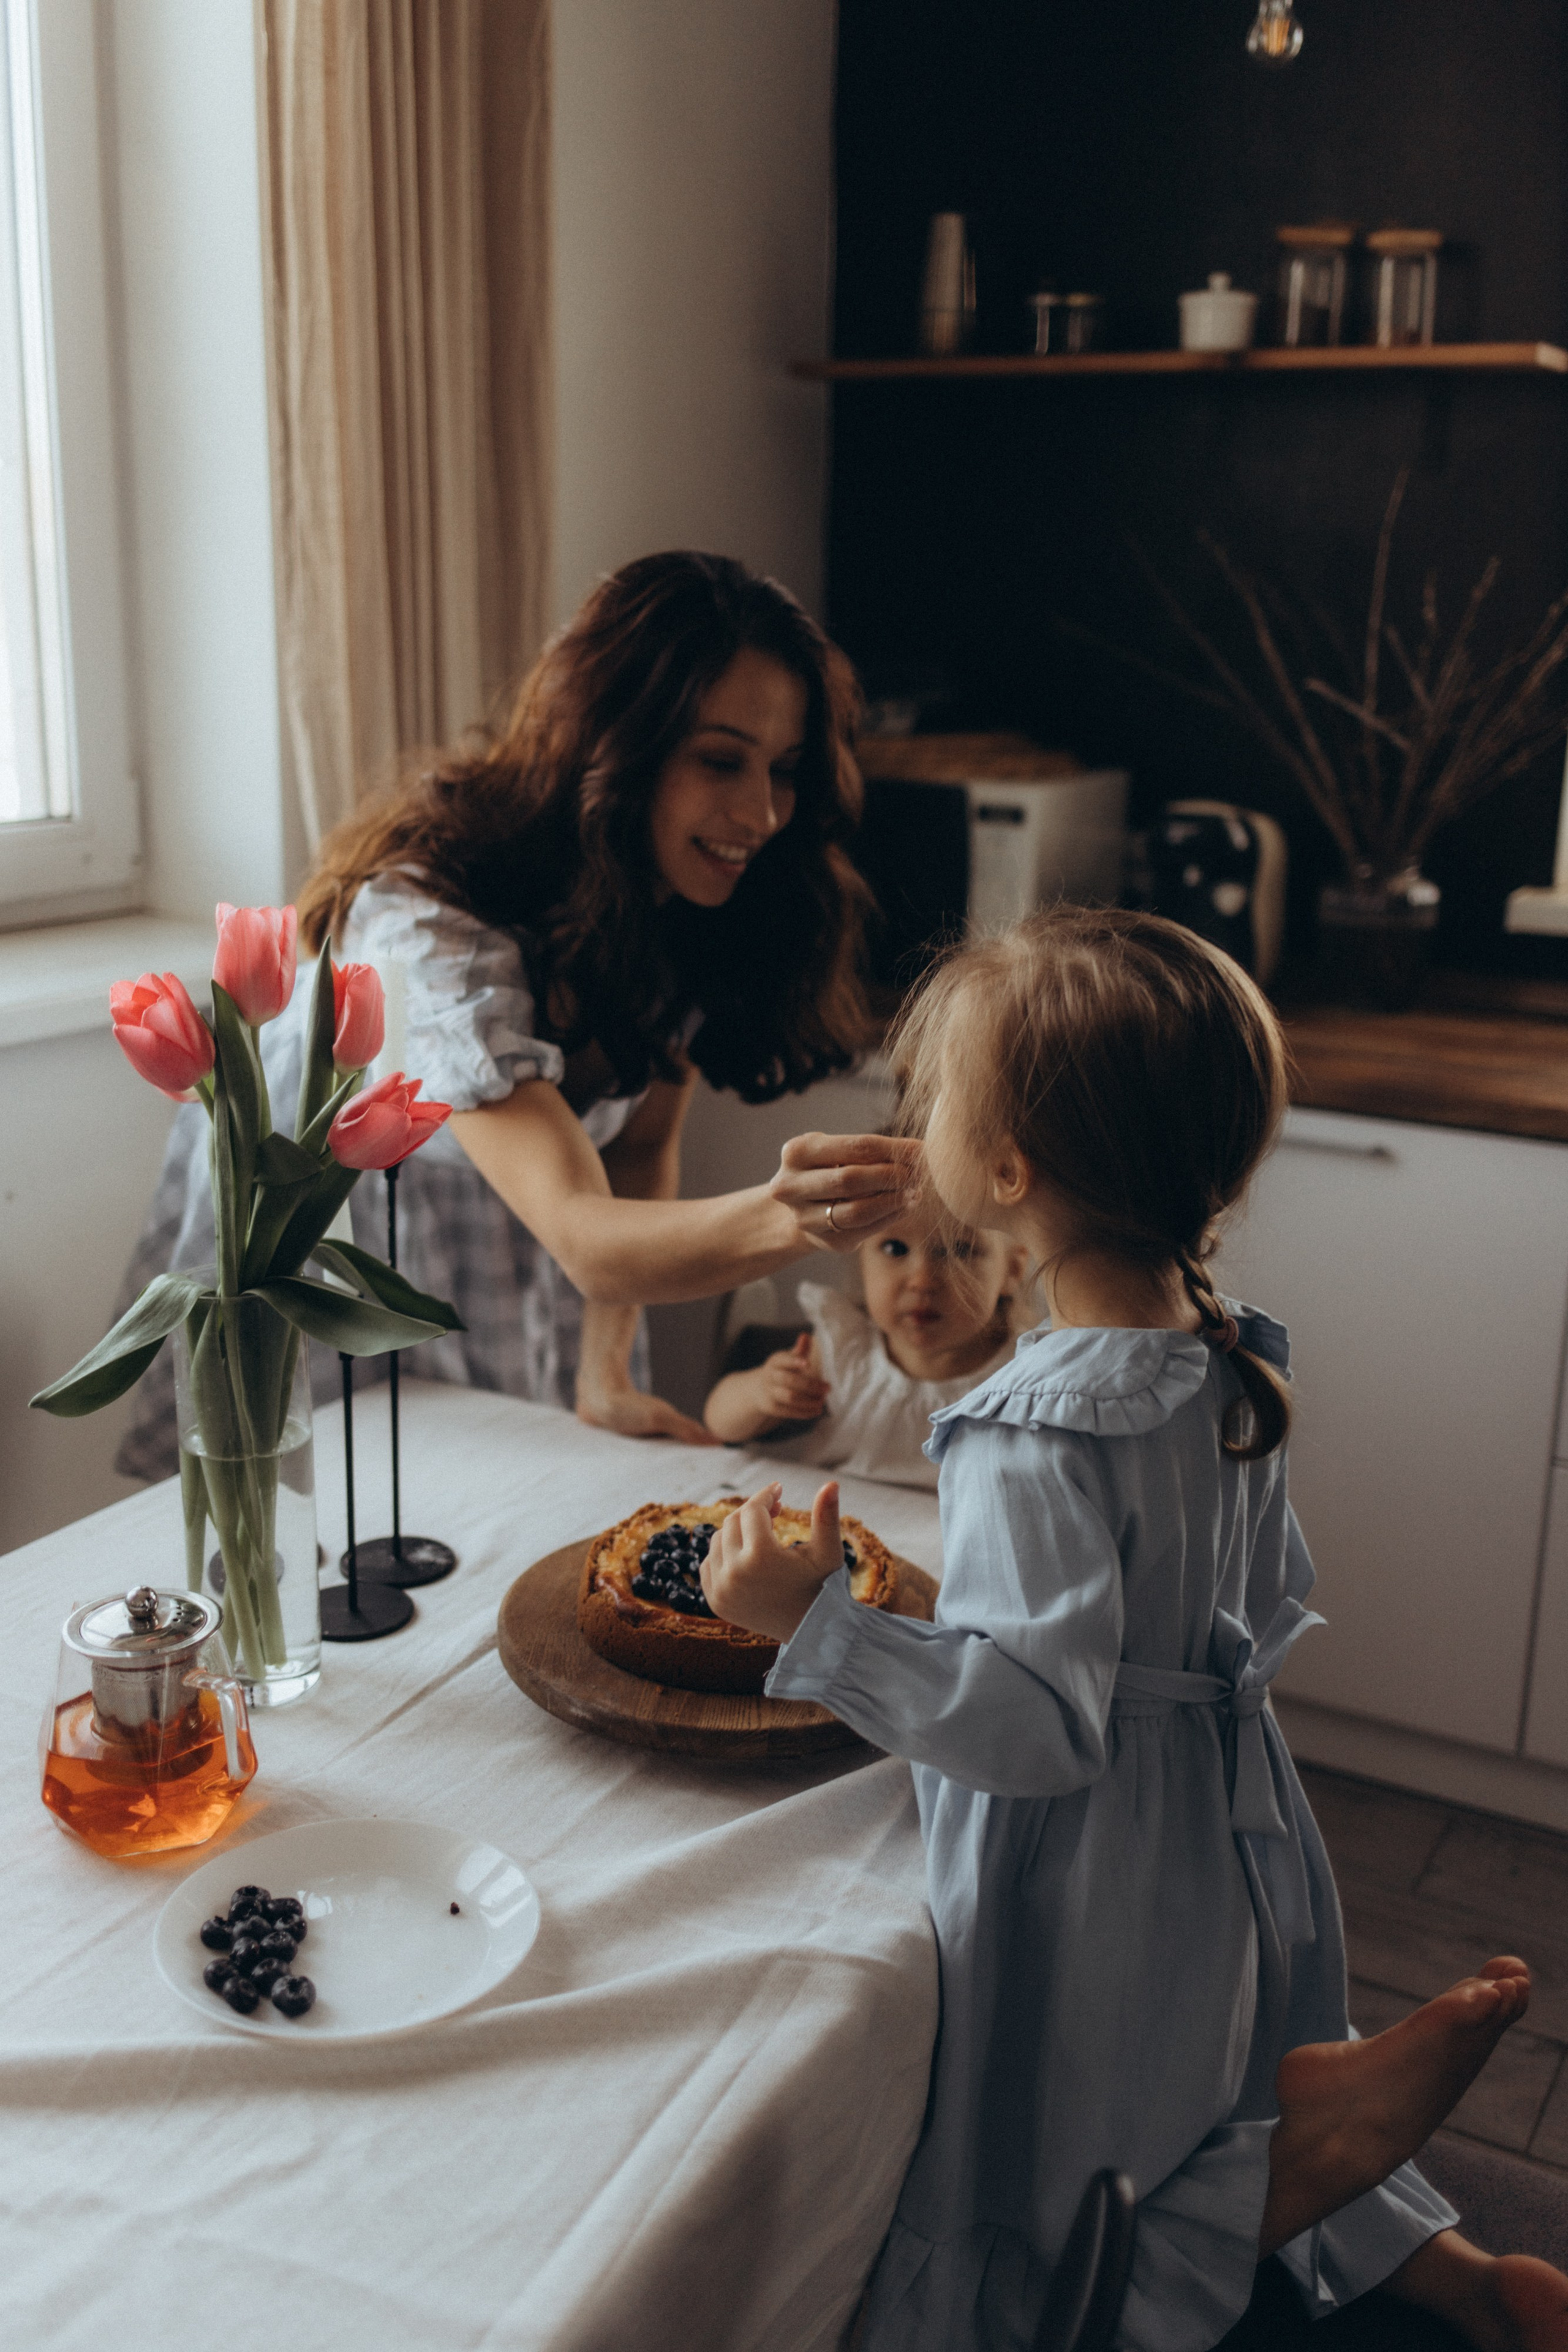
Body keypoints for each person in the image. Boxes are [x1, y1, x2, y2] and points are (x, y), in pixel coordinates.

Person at [698, 907, 1568, 2352]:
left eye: (945, 1107)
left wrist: (818, 1620)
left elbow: (1032, 1723)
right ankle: (1468, 2274)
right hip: (1225, 1820)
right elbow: (1262, 1589)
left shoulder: (1024, 1421)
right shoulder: (1220, 1349)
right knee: (1199, 2081)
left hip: (1085, 1869)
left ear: (1007, 1169)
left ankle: (1298, 2161)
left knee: (1054, 2161)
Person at [113, 553, 918, 1479]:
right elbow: (584, 1232)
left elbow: (636, 1151)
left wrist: (604, 1369)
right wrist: (803, 1216)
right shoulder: (430, 930)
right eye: (720, 760)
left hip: (515, 1263)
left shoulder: (677, 899)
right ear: (616, 745)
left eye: (784, 770)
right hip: (330, 1265)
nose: (764, 812)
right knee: (305, 1569)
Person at [703, 1198, 1027, 1488]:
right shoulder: (848, 1348)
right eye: (895, 1249)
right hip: (839, 1533)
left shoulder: (1026, 1377)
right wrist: (763, 1392)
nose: (923, 1280)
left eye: (959, 1250)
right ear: (860, 1255)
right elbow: (719, 1421)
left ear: (1012, 1269)